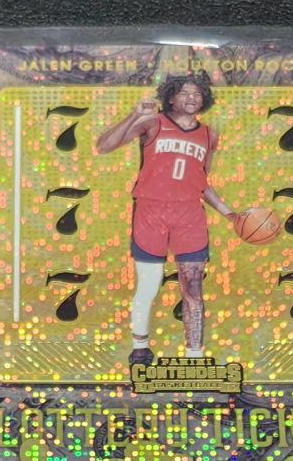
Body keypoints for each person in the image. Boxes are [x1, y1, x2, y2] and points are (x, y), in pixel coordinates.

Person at [95, 72, 238, 368]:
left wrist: (229, 213)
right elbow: (103, 146)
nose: (192, 97)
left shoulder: (209, 135)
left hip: (189, 216)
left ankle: (194, 356)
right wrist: (133, 115)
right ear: (170, 97)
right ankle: (140, 348)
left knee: (193, 288)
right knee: (149, 286)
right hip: (151, 212)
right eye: (184, 92)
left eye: (197, 93)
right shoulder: (152, 123)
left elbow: (201, 183)